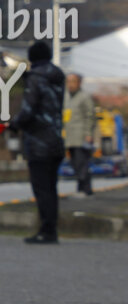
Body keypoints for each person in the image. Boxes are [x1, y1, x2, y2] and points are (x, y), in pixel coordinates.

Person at [8, 42, 65, 244]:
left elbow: (28, 110)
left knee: (42, 189)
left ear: (32, 58)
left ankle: (46, 232)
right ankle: (51, 230)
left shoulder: (35, 78)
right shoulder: (58, 77)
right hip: (56, 140)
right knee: (51, 188)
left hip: (39, 142)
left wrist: (14, 124)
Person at [64, 72, 96, 196]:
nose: (70, 84)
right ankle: (80, 188)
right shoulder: (66, 97)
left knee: (81, 163)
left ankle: (85, 189)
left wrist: (88, 134)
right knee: (75, 163)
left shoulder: (84, 97)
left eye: (73, 81)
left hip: (81, 136)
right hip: (69, 137)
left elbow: (90, 116)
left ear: (79, 83)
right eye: (68, 81)